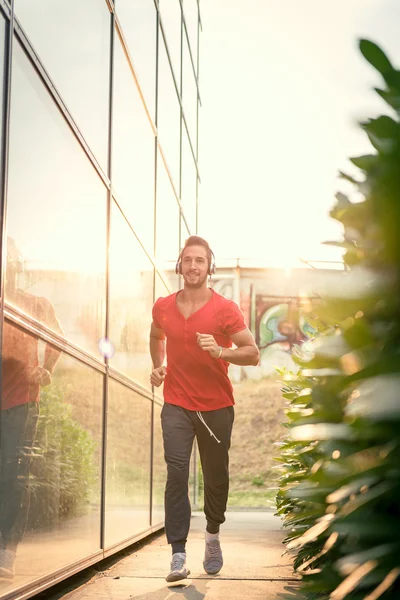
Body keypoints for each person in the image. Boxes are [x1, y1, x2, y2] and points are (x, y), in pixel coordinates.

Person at [149, 236, 259, 582]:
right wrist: (158, 364)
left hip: (216, 406)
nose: (193, 266)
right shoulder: (163, 306)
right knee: (177, 473)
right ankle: (177, 553)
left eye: (200, 260)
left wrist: (221, 352)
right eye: (187, 260)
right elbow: (156, 336)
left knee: (215, 477)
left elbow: (253, 353)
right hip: (176, 404)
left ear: (209, 267)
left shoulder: (225, 308)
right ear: (179, 265)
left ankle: (212, 534)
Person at [0, 238, 63, 579]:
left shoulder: (35, 304)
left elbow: (58, 338)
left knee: (13, 477)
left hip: (21, 402)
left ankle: (6, 552)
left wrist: (47, 369)